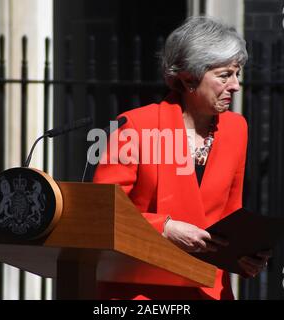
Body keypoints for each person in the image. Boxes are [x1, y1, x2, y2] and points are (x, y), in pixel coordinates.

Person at [93, 16, 271, 300]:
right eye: (224, 75)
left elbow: (231, 212)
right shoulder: (136, 127)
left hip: (208, 288)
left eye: (237, 74)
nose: (236, 85)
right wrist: (163, 228)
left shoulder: (237, 129)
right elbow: (102, 212)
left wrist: (243, 254)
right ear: (189, 78)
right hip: (141, 288)